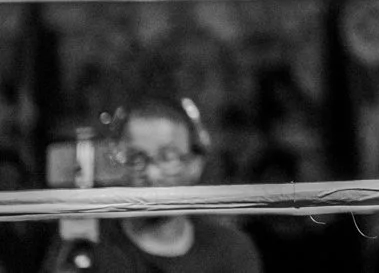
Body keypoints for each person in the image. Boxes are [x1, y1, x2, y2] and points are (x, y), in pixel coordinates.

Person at [44, 99, 261, 273]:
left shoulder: (229, 250)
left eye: (168, 157)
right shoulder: (87, 245)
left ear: (194, 165)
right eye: (136, 157)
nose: (151, 173)